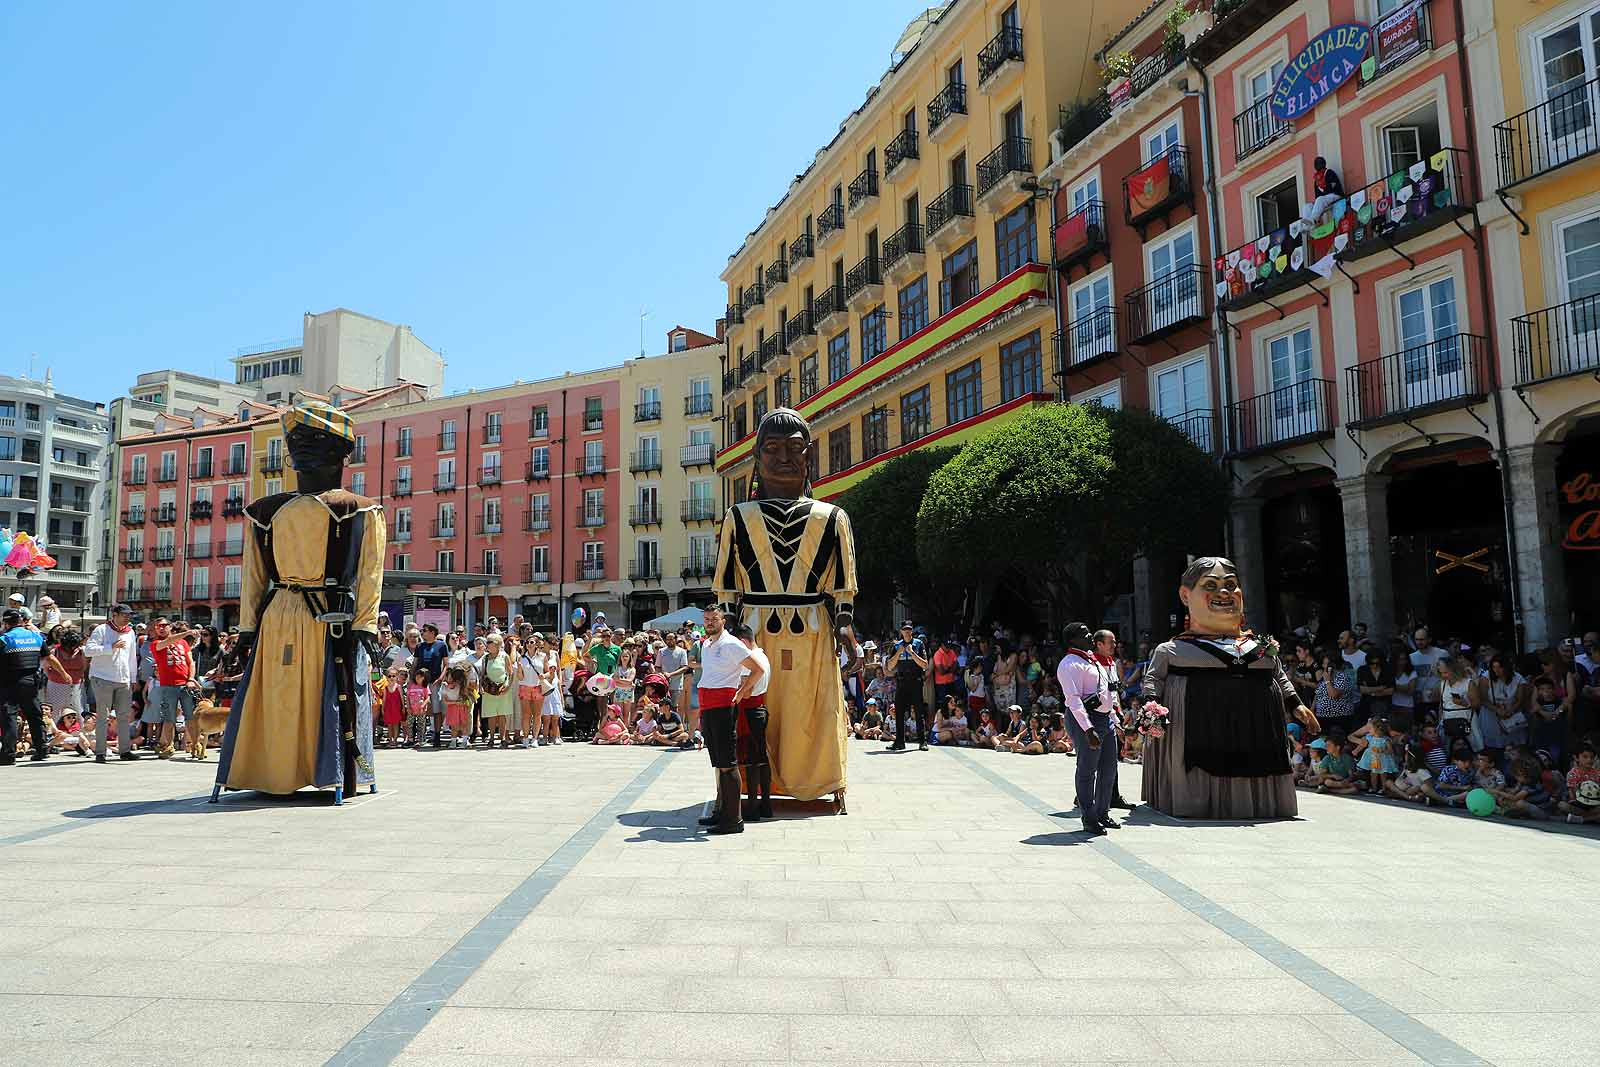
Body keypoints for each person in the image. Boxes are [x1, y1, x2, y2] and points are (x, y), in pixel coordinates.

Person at [213, 401, 385, 800]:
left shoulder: (358, 511)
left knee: (324, 697)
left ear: (342, 451)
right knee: (276, 699)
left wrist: (364, 625)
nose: (304, 450)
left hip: (331, 619)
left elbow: (370, 575)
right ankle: (274, 773)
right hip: (282, 619)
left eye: (316, 441)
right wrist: (247, 629)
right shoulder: (264, 511)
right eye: (298, 442)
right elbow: (254, 577)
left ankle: (332, 772)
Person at [713, 408, 857, 812]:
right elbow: (727, 584)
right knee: (757, 711)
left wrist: (847, 634)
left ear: (809, 457)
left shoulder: (833, 518)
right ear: (757, 458)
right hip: (753, 634)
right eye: (772, 449)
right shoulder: (738, 517)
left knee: (810, 711)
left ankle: (820, 781)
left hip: (812, 632)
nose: (784, 459)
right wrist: (726, 637)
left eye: (795, 449)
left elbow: (843, 586)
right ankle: (751, 786)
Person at [1140, 557, 1317, 819]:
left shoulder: (1259, 648)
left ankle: (1258, 802)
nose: (1224, 592)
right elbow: (1153, 680)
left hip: (1256, 733)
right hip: (1199, 732)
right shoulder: (1172, 650)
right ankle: (1198, 802)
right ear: (1185, 595)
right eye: (1210, 585)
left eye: (1231, 585)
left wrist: (1296, 705)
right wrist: (1152, 707)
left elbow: (1279, 676)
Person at [695, 605, 766, 834]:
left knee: (728, 764)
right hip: (708, 707)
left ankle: (733, 820)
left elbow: (757, 669)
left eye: (713, 619)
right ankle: (724, 813)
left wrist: (743, 691)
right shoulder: (706, 644)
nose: (709, 623)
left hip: (724, 707)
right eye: (706, 619)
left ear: (723, 620)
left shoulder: (732, 643)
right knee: (719, 764)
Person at [1056, 624, 1121, 833]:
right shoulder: (1069, 664)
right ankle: (1089, 817)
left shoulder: (1092, 659)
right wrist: (1088, 729)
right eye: (1084, 633)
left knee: (1109, 768)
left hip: (1105, 719)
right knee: (1087, 770)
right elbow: (1074, 701)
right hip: (1084, 720)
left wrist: (1114, 718)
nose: (1089, 635)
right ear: (1073, 640)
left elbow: (1105, 693)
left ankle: (1102, 813)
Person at [84, 605, 140, 762]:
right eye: (124, 615)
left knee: (123, 716)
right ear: (114, 615)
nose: (127, 618)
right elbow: (89, 650)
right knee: (103, 716)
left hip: (123, 679)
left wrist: (133, 678)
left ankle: (125, 751)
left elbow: (132, 657)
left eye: (129, 615)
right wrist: (111, 647)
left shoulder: (130, 632)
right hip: (103, 677)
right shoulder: (101, 629)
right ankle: (100, 752)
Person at [733, 624, 773, 821]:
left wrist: (738, 689)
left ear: (743, 642)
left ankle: (753, 806)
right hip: (758, 710)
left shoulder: (755, 659)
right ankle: (764, 804)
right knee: (761, 759)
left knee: (753, 761)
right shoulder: (763, 657)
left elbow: (746, 691)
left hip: (750, 711)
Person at [0, 608, 47, 764]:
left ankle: (8, 754)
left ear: (6, 623)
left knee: (10, 717)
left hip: (10, 683)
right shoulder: (36, 636)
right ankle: (41, 750)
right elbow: (48, 656)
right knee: (35, 716)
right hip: (31, 683)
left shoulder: (5, 638)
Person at [147, 617, 198, 760]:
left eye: (164, 625)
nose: (161, 628)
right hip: (168, 685)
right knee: (169, 718)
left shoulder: (183, 643)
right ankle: (168, 746)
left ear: (170, 627)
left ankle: (195, 745)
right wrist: (187, 633)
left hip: (185, 684)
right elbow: (167, 642)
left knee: (190, 716)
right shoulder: (156, 643)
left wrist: (191, 679)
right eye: (158, 626)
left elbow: (191, 662)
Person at [886, 622, 929, 752]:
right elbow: (889, 666)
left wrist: (912, 653)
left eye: (909, 629)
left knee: (918, 711)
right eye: (905, 629)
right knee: (899, 712)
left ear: (912, 631)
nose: (907, 632)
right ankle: (899, 742)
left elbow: (925, 665)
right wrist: (898, 653)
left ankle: (922, 742)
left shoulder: (918, 644)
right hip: (901, 682)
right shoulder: (897, 645)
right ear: (901, 631)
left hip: (915, 682)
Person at [476, 633, 516, 747]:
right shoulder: (486, 657)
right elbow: (482, 674)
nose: (487, 645)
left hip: (503, 689)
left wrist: (507, 686)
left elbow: (510, 673)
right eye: (487, 642)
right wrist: (481, 686)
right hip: (490, 690)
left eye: (489, 642)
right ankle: (492, 738)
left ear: (497, 644)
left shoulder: (504, 656)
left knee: (502, 714)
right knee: (491, 714)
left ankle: (503, 738)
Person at [1409, 627, 1448, 725]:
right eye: (1417, 639)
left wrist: (1439, 688)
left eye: (1422, 639)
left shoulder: (1442, 654)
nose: (1419, 642)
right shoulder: (1411, 657)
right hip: (1419, 701)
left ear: (1429, 639)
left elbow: (1450, 675)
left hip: (1438, 699)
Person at [1355, 716, 1397, 794]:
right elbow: (1363, 744)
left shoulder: (1385, 739)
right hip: (1374, 759)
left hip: (1383, 760)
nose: (1368, 730)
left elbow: (1390, 750)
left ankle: (1384, 789)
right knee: (1373, 774)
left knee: (1383, 775)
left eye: (1370, 728)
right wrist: (1356, 751)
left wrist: (1383, 750)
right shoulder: (1370, 737)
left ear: (1377, 729)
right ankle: (1374, 788)